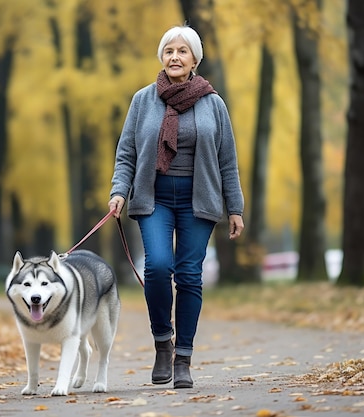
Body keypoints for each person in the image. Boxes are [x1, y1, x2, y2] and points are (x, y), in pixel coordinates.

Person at [108, 25, 245, 389]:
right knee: (156, 267)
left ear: (195, 60)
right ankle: (162, 345)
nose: (174, 57)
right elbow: (127, 153)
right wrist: (119, 191)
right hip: (153, 198)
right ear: (161, 57)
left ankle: (183, 357)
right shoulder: (143, 100)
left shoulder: (213, 103)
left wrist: (235, 207)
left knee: (188, 276)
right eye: (169, 51)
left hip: (198, 199)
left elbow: (227, 160)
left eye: (182, 51)